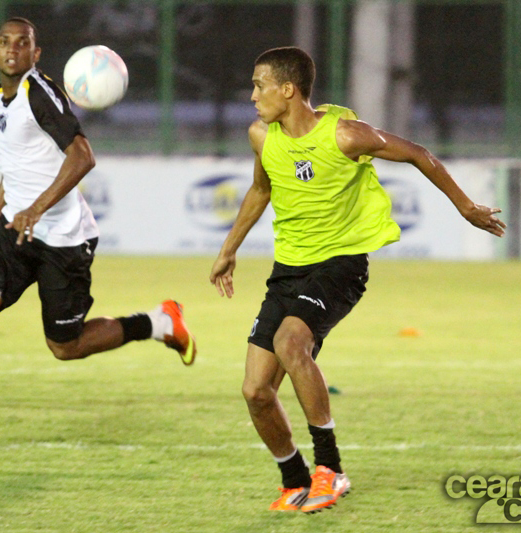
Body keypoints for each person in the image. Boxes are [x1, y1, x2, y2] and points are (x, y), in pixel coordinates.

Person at [209, 47, 505, 513]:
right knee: (255, 391)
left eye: (259, 85)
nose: (252, 96)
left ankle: (330, 471)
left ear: (287, 90)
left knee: (292, 344)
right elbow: (261, 189)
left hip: (340, 266)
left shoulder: (345, 135)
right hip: (288, 269)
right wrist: (228, 251)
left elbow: (419, 154)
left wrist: (465, 206)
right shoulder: (262, 136)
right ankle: (294, 480)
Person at [0, 17, 197, 461]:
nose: (13, 49)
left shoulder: (40, 94)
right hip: (14, 235)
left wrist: (35, 210)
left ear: (35, 55)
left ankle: (157, 323)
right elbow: (16, 161)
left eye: (24, 43)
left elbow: (83, 157)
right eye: (4, 42)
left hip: (63, 240)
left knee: (66, 346)